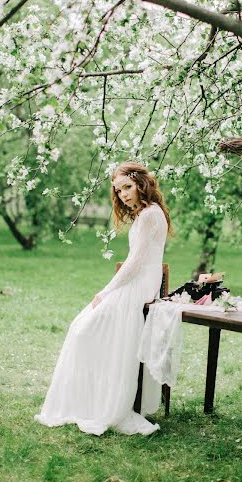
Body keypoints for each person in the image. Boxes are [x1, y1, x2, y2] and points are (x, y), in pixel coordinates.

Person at [35, 161, 172, 436]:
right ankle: (91, 397)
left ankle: (103, 402)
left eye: (127, 187)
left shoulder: (148, 216)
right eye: (118, 189)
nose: (122, 194)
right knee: (82, 327)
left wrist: (106, 291)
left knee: (83, 329)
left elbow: (134, 263)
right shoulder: (148, 213)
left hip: (139, 284)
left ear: (141, 183)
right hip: (141, 281)